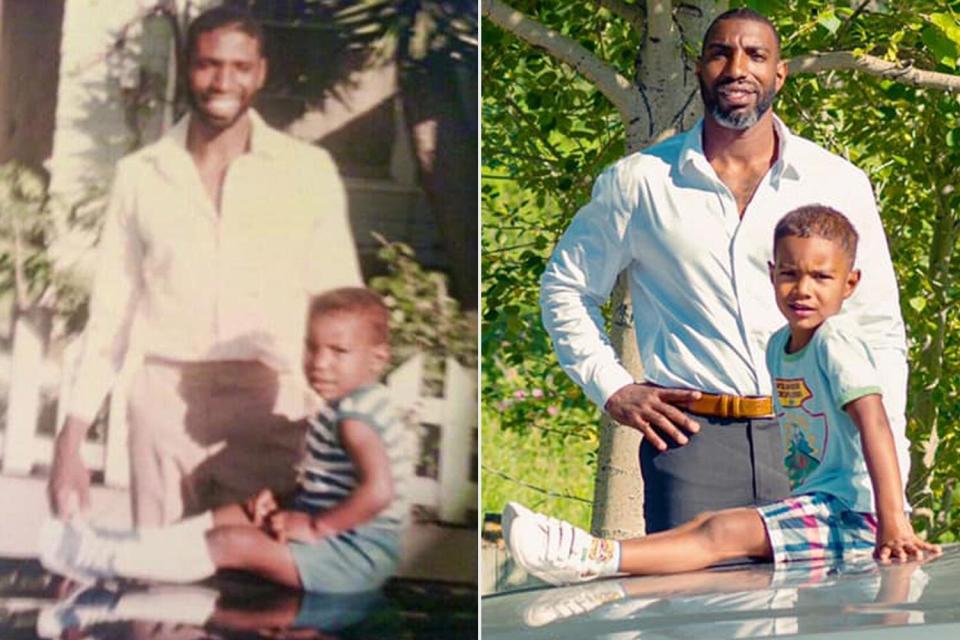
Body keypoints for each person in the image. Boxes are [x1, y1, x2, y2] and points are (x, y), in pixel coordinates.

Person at [539, 8, 909, 532]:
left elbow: (879, 330)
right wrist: (612, 386)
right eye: (721, 53)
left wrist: (887, 469)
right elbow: (564, 288)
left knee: (821, 610)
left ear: (779, 74)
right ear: (699, 69)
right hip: (693, 446)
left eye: (756, 55)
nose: (738, 68)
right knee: (692, 609)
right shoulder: (640, 183)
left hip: (820, 439)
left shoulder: (838, 183)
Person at [505, 206, 941, 586]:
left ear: (850, 284)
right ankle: (599, 557)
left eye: (821, 277)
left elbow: (875, 424)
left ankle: (589, 557)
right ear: (772, 274)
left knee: (722, 532)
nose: (803, 289)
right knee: (707, 528)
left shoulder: (835, 342)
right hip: (818, 503)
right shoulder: (778, 347)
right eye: (789, 274)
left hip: (856, 513)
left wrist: (893, 522)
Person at [48, 6, 361, 526]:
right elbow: (110, 314)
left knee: (260, 587)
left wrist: (348, 432)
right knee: (158, 584)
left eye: (240, 67)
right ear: (186, 66)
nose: (223, 82)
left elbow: (341, 306)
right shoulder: (140, 176)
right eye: (208, 64)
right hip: (165, 404)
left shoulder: (306, 172)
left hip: (273, 407)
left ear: (260, 72)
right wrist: (70, 442)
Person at [40, 287, 411, 594]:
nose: (319, 362)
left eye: (338, 351)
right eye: (312, 347)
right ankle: (112, 548)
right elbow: (334, 484)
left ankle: (103, 559)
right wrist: (287, 502)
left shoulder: (355, 419)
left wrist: (316, 527)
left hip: (354, 556)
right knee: (237, 514)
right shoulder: (350, 404)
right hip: (336, 535)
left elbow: (379, 492)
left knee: (233, 542)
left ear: (378, 359)